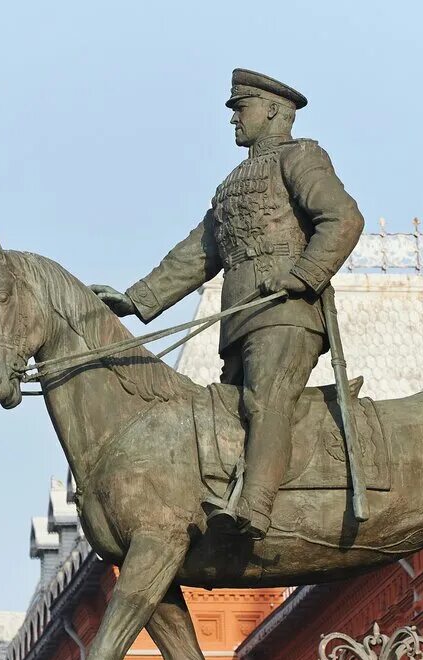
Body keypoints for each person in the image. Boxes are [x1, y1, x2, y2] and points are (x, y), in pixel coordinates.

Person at [92, 68, 364, 538]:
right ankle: (234, 493)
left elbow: (343, 218)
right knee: (231, 411)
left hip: (285, 311)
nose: (234, 119)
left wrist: (303, 275)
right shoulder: (233, 183)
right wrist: (135, 299)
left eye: (241, 108)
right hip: (240, 319)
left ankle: (254, 510)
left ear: (274, 110)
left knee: (265, 403)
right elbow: (198, 253)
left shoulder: (301, 158)